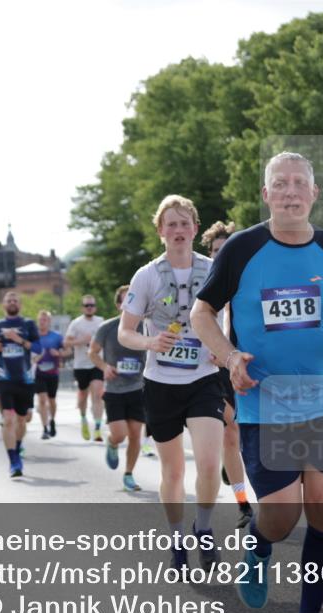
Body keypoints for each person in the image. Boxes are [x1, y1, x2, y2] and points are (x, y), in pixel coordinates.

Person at [192, 151, 323, 613]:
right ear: (266, 194)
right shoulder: (243, 249)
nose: (291, 191)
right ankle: (259, 543)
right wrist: (229, 356)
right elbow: (202, 312)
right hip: (264, 403)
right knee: (281, 517)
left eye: (299, 183)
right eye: (280, 183)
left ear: (314, 193)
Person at [120, 194, 226, 575]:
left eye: (184, 223)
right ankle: (177, 538)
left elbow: (230, 314)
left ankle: (204, 529)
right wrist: (151, 342)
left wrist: (225, 349)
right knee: (174, 472)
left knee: (210, 464)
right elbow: (125, 332)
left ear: (195, 229)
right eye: (171, 224)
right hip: (161, 382)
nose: (178, 230)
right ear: (160, 231)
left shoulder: (214, 269)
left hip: (203, 378)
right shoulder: (146, 276)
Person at [201, 220, 254, 529]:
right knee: (231, 430)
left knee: (248, 434)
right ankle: (243, 504)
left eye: (226, 250)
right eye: (216, 251)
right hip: (212, 369)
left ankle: (231, 463)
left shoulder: (248, 278)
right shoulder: (201, 283)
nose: (221, 256)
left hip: (244, 362)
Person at [90, 285, 145, 492]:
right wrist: (105, 367)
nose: (131, 304)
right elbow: (92, 352)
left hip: (138, 387)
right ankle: (112, 443)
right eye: (126, 300)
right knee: (120, 434)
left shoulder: (146, 326)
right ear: (118, 305)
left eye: (134, 299)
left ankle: (129, 474)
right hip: (114, 389)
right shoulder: (107, 327)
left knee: (135, 434)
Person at [0, 291, 40, 478]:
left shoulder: (28, 324)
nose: (12, 302)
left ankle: (17, 447)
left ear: (20, 304)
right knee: (8, 419)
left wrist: (19, 340)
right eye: (8, 300)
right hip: (4, 378)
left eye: (15, 300)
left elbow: (38, 347)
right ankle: (14, 461)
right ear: (3, 304)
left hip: (25, 379)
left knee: (22, 419)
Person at [66, 295, 105, 441]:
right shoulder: (76, 323)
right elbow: (67, 342)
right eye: (87, 305)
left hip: (97, 363)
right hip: (81, 365)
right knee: (83, 395)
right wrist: (82, 340)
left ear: (95, 307)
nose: (89, 307)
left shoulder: (101, 322)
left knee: (98, 393)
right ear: (82, 307)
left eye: (92, 305)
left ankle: (97, 428)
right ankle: (83, 419)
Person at [33, 310, 65, 440]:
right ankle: (45, 428)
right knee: (42, 399)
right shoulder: (33, 337)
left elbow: (68, 350)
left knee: (52, 400)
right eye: (40, 320)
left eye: (45, 320)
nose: (42, 322)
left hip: (53, 373)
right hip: (38, 372)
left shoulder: (57, 336)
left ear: (49, 322)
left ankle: (52, 421)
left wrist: (59, 353)